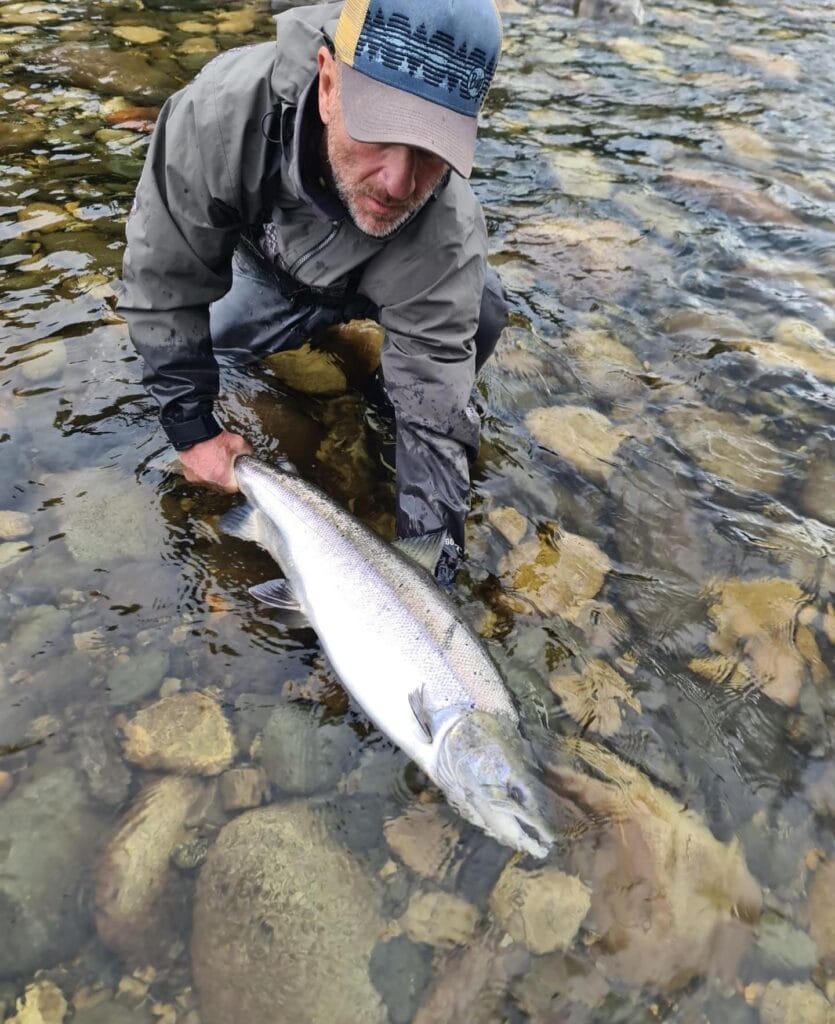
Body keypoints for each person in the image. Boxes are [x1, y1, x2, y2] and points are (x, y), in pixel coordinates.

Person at [119, 0, 508, 582]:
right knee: (203, 349)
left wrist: (434, 574)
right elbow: (163, 275)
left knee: (482, 311)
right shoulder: (222, 115)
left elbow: (437, 413)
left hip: (378, 281)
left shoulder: (445, 229)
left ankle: (380, 399)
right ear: (328, 82)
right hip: (261, 267)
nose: (399, 182)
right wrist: (192, 426)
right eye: (380, 132)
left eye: (430, 149)